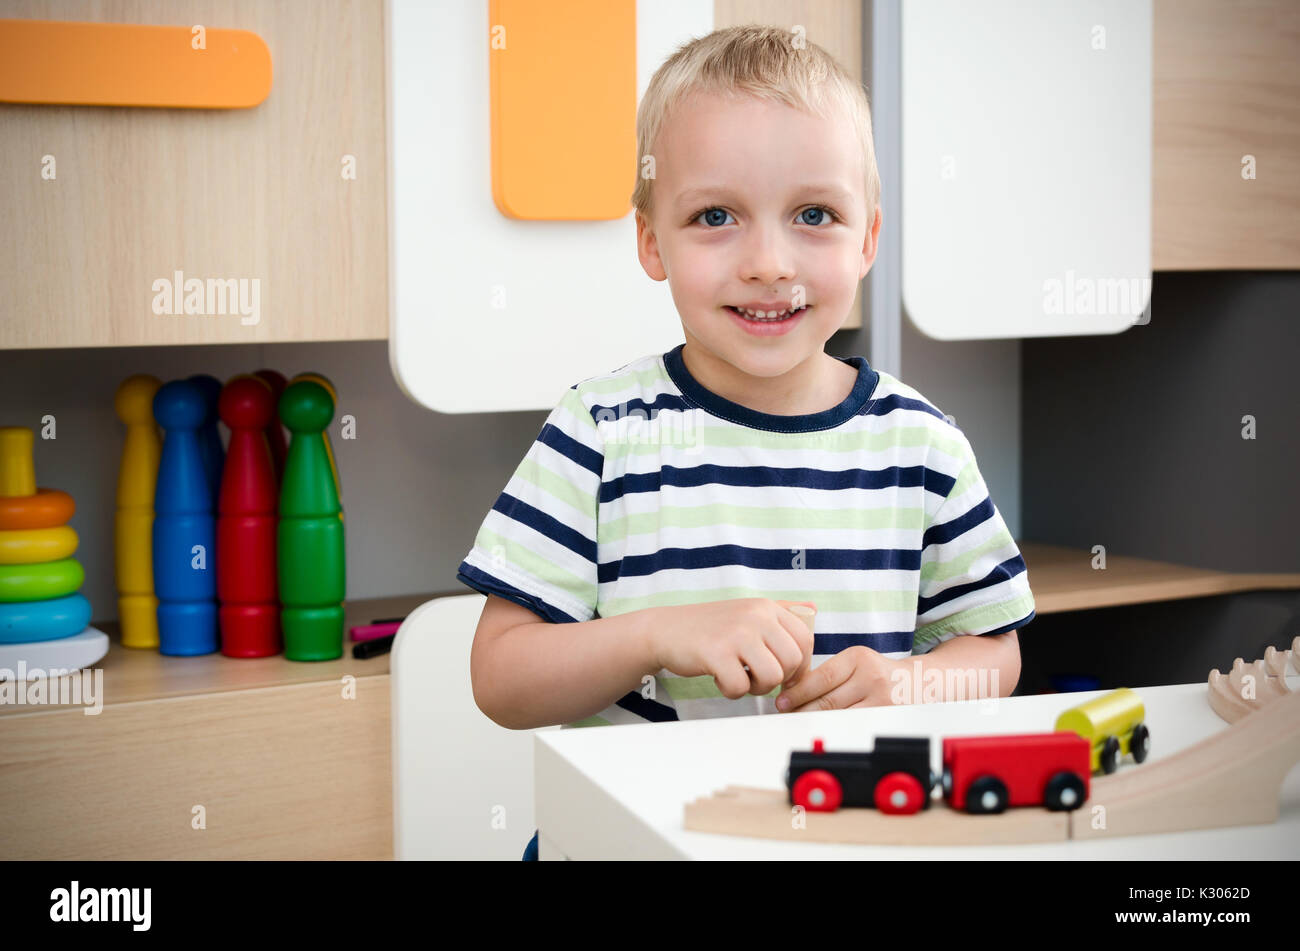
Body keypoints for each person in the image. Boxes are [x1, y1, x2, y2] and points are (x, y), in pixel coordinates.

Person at [456, 28, 1035, 857]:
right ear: (652, 240)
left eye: (814, 214)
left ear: (868, 238)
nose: (769, 261)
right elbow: (501, 677)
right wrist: (657, 635)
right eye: (715, 215)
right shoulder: (601, 431)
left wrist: (912, 683)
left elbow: (994, 651)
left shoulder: (923, 447)